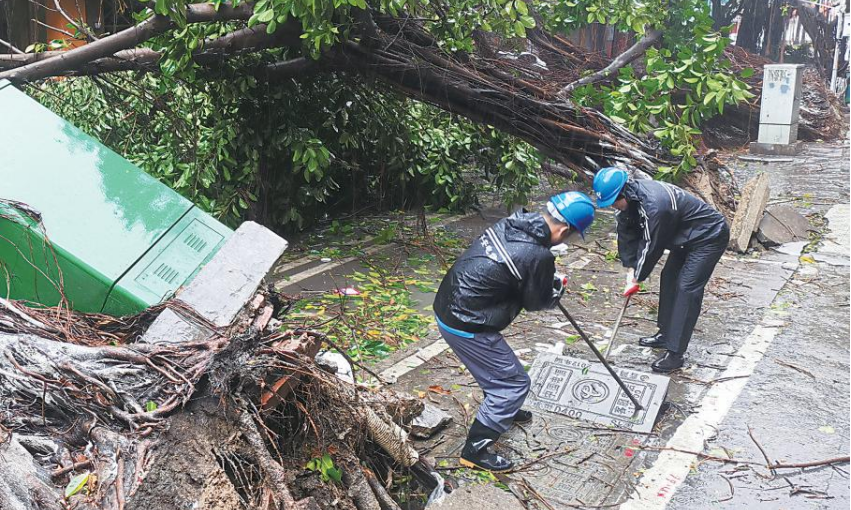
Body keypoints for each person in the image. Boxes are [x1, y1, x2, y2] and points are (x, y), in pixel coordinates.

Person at [433, 191, 595, 472]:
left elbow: (515, 269)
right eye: (570, 236)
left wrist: (545, 276)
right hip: (466, 323)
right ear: (565, 230)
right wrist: (555, 288)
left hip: (448, 305)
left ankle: (503, 410)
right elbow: (536, 302)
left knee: (499, 372)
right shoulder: (538, 256)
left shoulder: (512, 223)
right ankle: (475, 451)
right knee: (513, 384)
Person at [592, 167, 730, 373]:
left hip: (708, 236)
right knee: (669, 279)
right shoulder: (629, 202)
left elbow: (651, 244)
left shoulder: (655, 206)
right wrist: (630, 269)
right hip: (683, 237)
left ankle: (675, 354)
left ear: (624, 193)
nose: (613, 206)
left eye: (614, 202)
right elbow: (626, 234)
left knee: (686, 288)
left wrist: (637, 277)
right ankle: (666, 334)